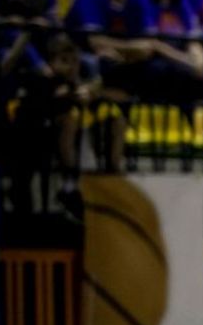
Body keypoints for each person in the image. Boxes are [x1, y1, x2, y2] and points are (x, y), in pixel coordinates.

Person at [10, 34, 126, 217]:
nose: (71, 66)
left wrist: (95, 93)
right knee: (69, 120)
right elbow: (50, 102)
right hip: (39, 139)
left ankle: (112, 171)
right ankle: (69, 183)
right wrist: (72, 94)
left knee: (116, 118)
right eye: (64, 61)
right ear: (51, 62)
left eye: (74, 61)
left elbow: (120, 96)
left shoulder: (85, 77)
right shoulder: (42, 80)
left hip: (84, 140)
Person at [63, 0, 203, 108]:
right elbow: (95, 41)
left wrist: (121, 51)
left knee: (163, 69)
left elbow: (147, 46)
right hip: (84, 54)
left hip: (126, 59)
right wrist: (130, 48)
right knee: (103, 63)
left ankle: (159, 114)